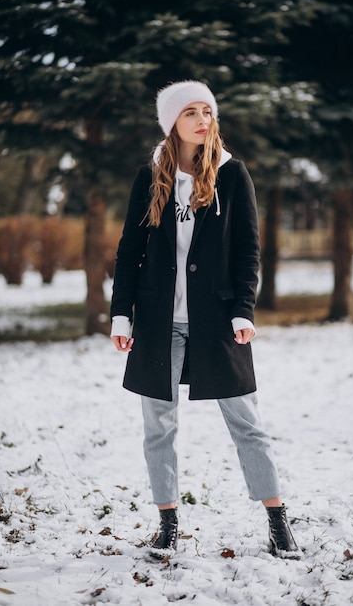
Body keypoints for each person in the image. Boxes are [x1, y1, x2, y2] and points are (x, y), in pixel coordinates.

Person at [110, 80, 300, 561]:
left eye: (207, 111)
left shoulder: (233, 175)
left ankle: (278, 522)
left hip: (217, 319)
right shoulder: (150, 176)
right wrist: (121, 316)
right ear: (172, 122)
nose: (201, 119)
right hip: (157, 322)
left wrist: (243, 308)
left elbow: (248, 251)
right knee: (159, 426)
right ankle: (168, 524)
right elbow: (130, 250)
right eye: (190, 112)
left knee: (247, 424)